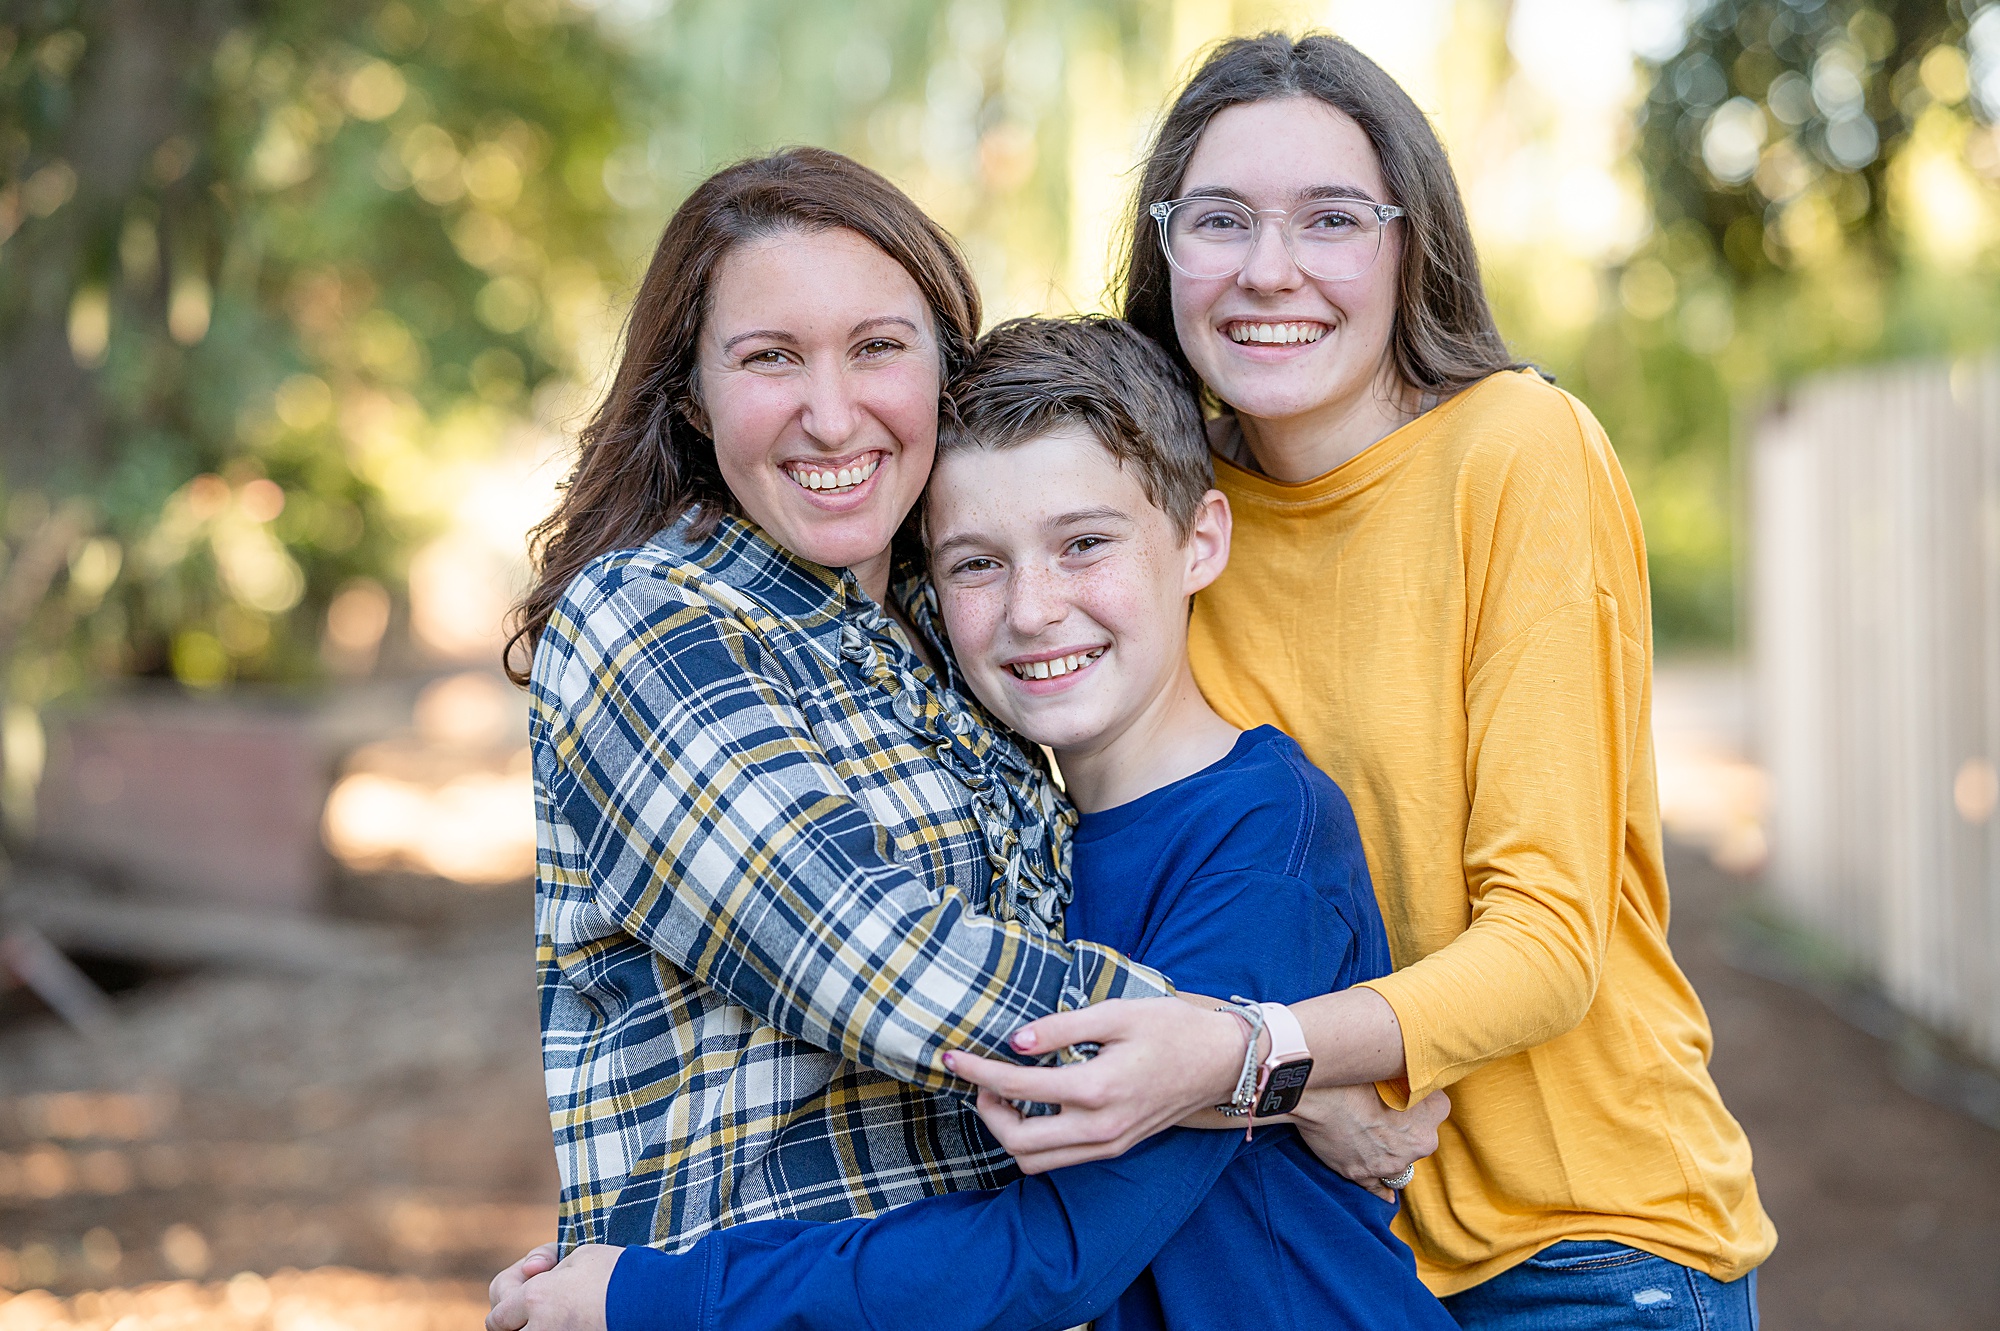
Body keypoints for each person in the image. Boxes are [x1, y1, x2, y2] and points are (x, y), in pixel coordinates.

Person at [944, 33, 1777, 1329]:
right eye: (1219, 219)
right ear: (1166, 250)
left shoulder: (1519, 451)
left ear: (1409, 243)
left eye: (1330, 218)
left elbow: (1553, 939)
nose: (1269, 270)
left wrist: (1261, 1055)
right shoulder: (1160, 519)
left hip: (1585, 1245)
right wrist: (1294, 1085)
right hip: (1342, 1250)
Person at [489, 316, 1457, 1331]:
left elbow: (1052, 1253)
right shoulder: (1012, 838)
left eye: (1083, 544)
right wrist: (1287, 1081)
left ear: (1198, 539)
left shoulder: (1264, 835)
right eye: (973, 564)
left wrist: (651, 1291)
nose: (1032, 609)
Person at [504, 146, 1268, 1263]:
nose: (830, 414)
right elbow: (870, 957)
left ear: (938, 371)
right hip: (745, 1293)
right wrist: (1266, 1060)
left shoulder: (957, 614)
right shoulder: (648, 622)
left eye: (876, 347)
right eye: (769, 358)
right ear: (692, 396)